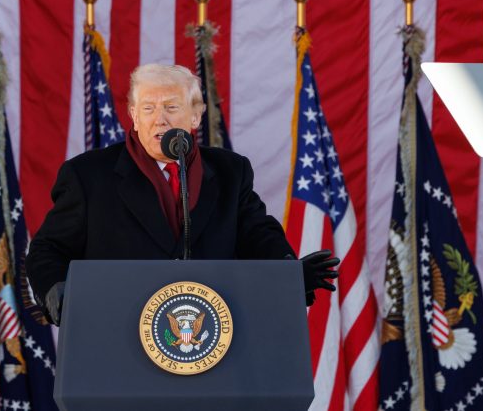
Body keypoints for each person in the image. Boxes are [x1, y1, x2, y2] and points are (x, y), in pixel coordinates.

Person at [25, 64, 338, 325]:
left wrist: (287, 273)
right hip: (116, 334)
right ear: (134, 116)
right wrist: (54, 288)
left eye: (171, 107)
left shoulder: (231, 171)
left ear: (196, 116)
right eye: (148, 108)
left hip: (210, 339)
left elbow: (258, 234)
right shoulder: (88, 175)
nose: (160, 119)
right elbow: (47, 248)